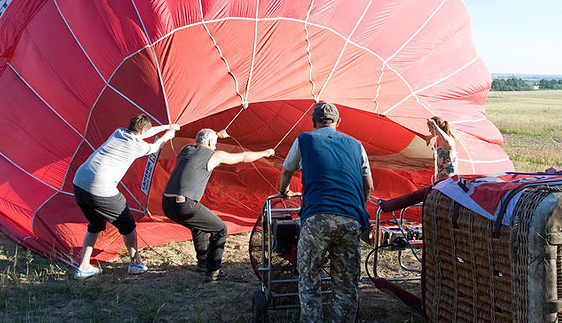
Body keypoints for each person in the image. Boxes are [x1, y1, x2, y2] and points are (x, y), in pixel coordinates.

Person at [279, 102, 373, 323]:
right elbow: (369, 186)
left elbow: (287, 170)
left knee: (309, 276)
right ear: (338, 122)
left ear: (313, 122)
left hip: (317, 218)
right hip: (350, 220)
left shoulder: (305, 139)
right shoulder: (356, 144)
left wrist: (283, 191)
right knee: (347, 282)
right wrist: (356, 205)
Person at [72, 114, 178, 280]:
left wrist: (166, 126)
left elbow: (145, 133)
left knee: (95, 224)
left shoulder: (119, 132)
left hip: (79, 183)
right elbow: (155, 147)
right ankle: (135, 263)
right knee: (128, 225)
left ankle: (84, 267)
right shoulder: (138, 146)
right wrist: (168, 136)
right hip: (100, 188)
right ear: (143, 130)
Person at [162, 128, 274, 282]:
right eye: (214, 143)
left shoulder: (185, 149)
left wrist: (217, 135)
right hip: (184, 204)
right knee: (220, 229)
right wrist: (265, 153)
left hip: (167, 203)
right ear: (209, 142)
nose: (215, 146)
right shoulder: (215, 155)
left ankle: (203, 263)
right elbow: (244, 157)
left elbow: (202, 140)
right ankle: (213, 271)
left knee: (198, 226)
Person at [426, 116, 457, 182]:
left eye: (430, 129)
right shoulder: (438, 138)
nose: (429, 131)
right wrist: (430, 137)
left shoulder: (448, 141)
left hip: (448, 175)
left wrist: (435, 126)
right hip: (441, 173)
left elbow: (445, 138)